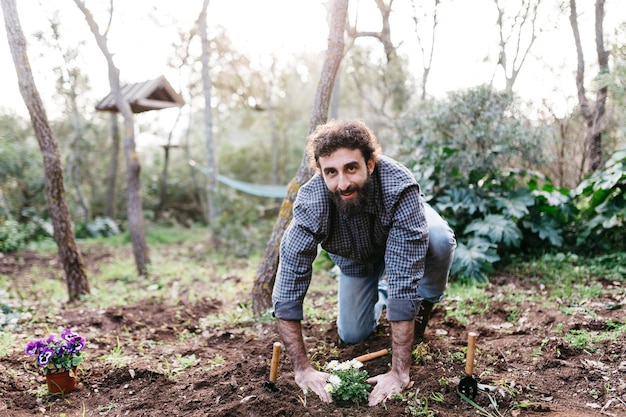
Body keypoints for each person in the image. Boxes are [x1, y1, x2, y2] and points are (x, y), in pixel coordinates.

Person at [272, 119, 456, 406]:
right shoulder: (312, 201)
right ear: (321, 172)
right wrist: (302, 369)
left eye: (351, 168)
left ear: (370, 163)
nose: (342, 183)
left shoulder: (399, 187)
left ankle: (426, 302)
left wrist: (398, 373)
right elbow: (288, 284)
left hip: (405, 231)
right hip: (355, 258)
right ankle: (383, 296)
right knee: (353, 333)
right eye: (331, 172)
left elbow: (403, 277)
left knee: (439, 239)